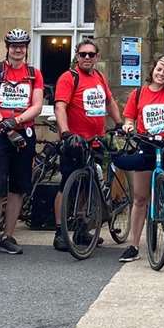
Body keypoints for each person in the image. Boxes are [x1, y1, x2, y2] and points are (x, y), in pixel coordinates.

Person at [116, 55, 164, 264]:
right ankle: (133, 245)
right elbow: (129, 117)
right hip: (146, 142)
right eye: (159, 69)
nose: (161, 74)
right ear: (152, 71)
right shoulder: (139, 93)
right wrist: (128, 126)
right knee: (140, 199)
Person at [52, 37, 123, 252]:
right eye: (83, 54)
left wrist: (119, 123)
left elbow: (109, 102)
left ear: (97, 57)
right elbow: (60, 107)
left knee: (88, 185)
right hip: (75, 141)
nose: (87, 58)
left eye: (91, 54)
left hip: (96, 140)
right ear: (77, 56)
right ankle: (59, 232)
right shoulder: (69, 77)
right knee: (66, 184)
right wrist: (65, 133)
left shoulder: (99, 77)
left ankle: (82, 228)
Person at [0, 28, 44, 256]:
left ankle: (8, 236)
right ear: (7, 48)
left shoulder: (34, 74)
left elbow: (36, 105)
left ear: (26, 48)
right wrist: (3, 124)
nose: (18, 49)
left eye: (22, 46)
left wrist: (15, 121)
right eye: (14, 46)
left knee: (18, 187)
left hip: (23, 133)